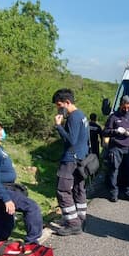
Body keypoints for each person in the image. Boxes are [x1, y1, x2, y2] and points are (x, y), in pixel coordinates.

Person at [0, 117, 43, 245]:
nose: (2, 131)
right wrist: (7, 199)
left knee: (5, 221)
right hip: (1, 190)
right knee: (31, 207)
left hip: (7, 187)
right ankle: (32, 242)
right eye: (0, 129)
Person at [52, 88, 89, 236]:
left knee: (63, 189)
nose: (58, 109)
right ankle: (80, 218)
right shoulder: (82, 115)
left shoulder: (73, 117)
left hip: (71, 159)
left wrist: (59, 126)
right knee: (78, 189)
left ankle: (73, 224)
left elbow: (71, 140)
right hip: (80, 158)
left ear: (67, 102)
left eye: (59, 105)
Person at [103, 95, 129, 202]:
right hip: (116, 147)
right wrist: (115, 131)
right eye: (124, 107)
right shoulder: (113, 116)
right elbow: (105, 131)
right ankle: (113, 194)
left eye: (128, 107)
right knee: (114, 170)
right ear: (120, 105)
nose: (126, 109)